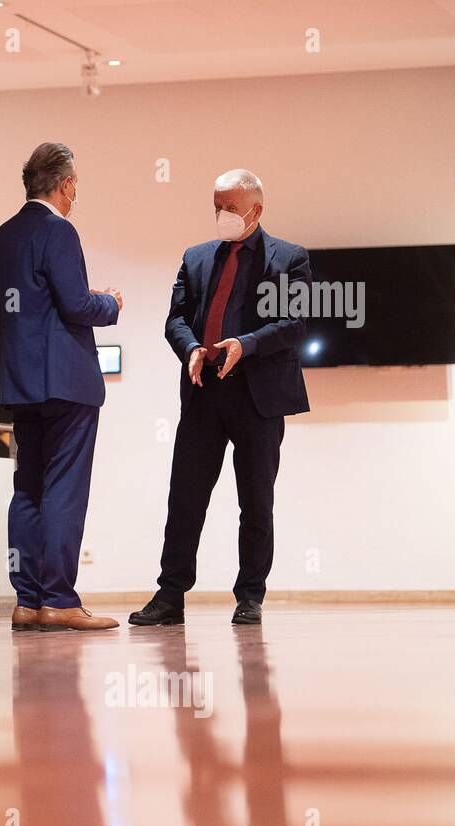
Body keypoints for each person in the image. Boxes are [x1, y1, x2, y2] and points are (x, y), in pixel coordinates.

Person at [129, 169, 310, 627]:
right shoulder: (196, 258)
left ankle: (250, 596)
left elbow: (293, 324)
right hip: (204, 393)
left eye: (230, 207)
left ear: (256, 210)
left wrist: (244, 344)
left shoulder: (289, 258)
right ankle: (170, 595)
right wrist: (190, 348)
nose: (222, 215)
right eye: (216, 207)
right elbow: (175, 319)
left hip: (258, 396)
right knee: (185, 498)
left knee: (256, 501)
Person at [0, 143, 122, 632]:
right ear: (65, 185)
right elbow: (77, 306)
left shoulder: (2, 237)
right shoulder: (59, 231)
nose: (75, 194)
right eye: (75, 186)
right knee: (64, 491)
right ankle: (60, 600)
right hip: (66, 384)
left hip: (20, 383)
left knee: (27, 491)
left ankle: (27, 600)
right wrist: (110, 302)